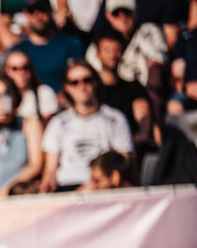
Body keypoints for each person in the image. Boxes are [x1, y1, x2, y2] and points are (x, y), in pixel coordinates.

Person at [40, 60, 133, 191]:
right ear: (67, 87)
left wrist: (96, 186)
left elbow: (124, 163)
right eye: (74, 82)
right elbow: (50, 170)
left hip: (103, 188)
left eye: (87, 80)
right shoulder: (58, 123)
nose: (82, 86)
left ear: (96, 82)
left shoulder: (116, 118)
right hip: (66, 187)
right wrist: (47, 185)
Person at [12, 0, 84, 93]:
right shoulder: (18, 51)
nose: (38, 16)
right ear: (26, 15)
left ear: (50, 11)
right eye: (32, 11)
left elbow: (79, 77)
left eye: (42, 9)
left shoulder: (71, 44)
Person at [4, 47, 59, 123]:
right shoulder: (1, 95)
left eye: (25, 67)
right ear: (6, 71)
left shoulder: (44, 93)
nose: (21, 73)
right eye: (15, 68)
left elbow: (47, 125)